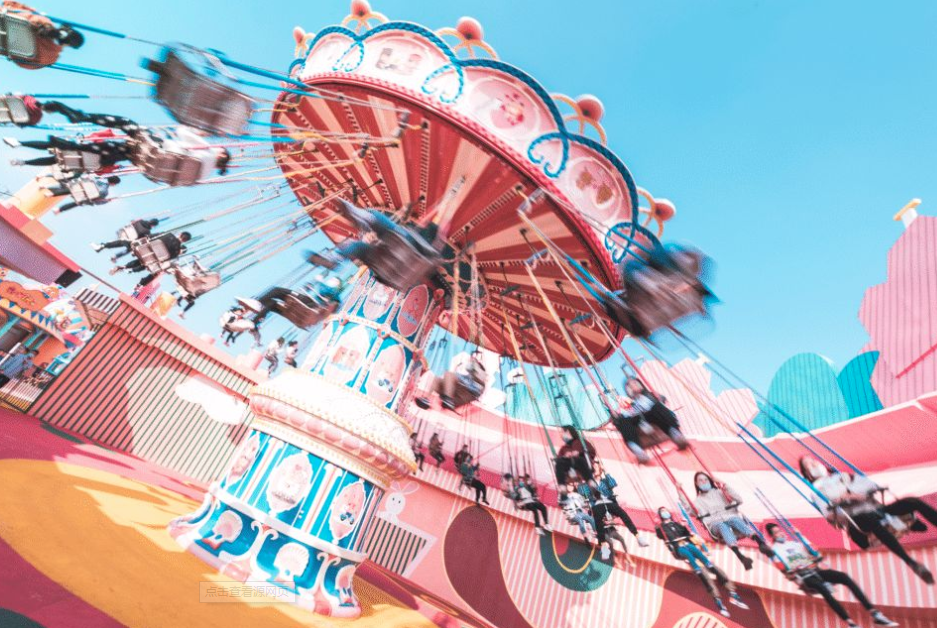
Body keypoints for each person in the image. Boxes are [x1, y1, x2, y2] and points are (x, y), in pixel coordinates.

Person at [801, 454, 936, 584]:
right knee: (865, 517)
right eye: (809, 465)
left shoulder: (843, 476)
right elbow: (829, 514)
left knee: (912, 501)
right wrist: (844, 497)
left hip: (877, 511)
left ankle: (911, 521)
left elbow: (870, 485)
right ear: (808, 474)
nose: (814, 464)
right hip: (858, 524)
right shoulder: (817, 492)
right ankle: (911, 562)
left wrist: (853, 493)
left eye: (814, 461)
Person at [763, 522, 898, 627]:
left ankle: (875, 613)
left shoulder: (795, 543)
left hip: (815, 570)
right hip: (804, 577)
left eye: (780, 530)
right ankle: (850, 622)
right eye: (776, 532)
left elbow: (814, 551)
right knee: (823, 589)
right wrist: (783, 565)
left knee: (844, 577)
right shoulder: (775, 550)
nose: (780, 533)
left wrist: (801, 536)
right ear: (772, 536)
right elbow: (782, 568)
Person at [655, 506, 749, 618]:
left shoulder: (678, 525)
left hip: (698, 552)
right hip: (688, 555)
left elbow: (690, 535)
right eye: (663, 512)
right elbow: (662, 536)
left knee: (719, 571)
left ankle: (733, 593)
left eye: (666, 511)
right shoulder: (663, 528)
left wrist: (685, 527)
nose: (665, 513)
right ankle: (718, 602)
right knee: (706, 578)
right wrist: (657, 527)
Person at [692, 471, 770, 571]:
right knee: (721, 525)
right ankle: (740, 555)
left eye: (705, 479)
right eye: (700, 481)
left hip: (729, 517)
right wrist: (680, 492)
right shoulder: (697, 501)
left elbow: (739, 500)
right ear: (697, 484)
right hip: (714, 523)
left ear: (710, 481)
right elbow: (691, 511)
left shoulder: (721, 492)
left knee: (735, 519)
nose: (704, 482)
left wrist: (724, 485)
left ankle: (760, 543)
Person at [579, 461, 649, 553]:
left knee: (623, 514)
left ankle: (638, 536)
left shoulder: (605, 481)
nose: (595, 468)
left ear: (600, 469)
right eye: (593, 467)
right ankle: (604, 546)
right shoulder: (589, 484)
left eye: (596, 467)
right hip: (597, 504)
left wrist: (606, 473)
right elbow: (583, 492)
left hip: (609, 502)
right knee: (598, 521)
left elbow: (613, 484)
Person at [110, 231, 191, 284]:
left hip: (144, 250)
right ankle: (124, 268)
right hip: (151, 259)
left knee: (142, 257)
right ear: (185, 241)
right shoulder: (176, 252)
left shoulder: (168, 235)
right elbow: (165, 260)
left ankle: (123, 266)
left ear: (180, 234)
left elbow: (151, 237)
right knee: (145, 261)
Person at [415, 351, 487, 411]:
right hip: (458, 392)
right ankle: (427, 399)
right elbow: (461, 376)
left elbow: (471, 373)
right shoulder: (470, 376)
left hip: (466, 394)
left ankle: (448, 399)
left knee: (449, 375)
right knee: (437, 380)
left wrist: (473, 361)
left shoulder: (480, 375)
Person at [554, 425, 597, 491]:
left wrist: (579, 453)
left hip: (582, 465)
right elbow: (558, 458)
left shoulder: (581, 442)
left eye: (562, 432)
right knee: (559, 462)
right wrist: (565, 456)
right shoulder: (563, 448)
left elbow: (592, 451)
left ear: (568, 432)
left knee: (579, 459)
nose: (561, 435)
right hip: (569, 468)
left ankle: (590, 481)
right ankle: (562, 487)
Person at [49, 174, 120, 213]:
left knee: (73, 189)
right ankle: (59, 210)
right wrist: (106, 201)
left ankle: (52, 193)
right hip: (82, 197)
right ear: (113, 183)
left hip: (76, 188)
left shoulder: (95, 178)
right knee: (80, 202)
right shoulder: (105, 191)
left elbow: (83, 178)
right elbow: (97, 201)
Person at [91, 218, 160, 255]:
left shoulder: (140, 221)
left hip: (123, 233)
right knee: (125, 244)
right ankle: (102, 247)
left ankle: (102, 246)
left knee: (119, 241)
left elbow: (131, 222)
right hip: (128, 242)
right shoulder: (147, 232)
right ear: (153, 225)